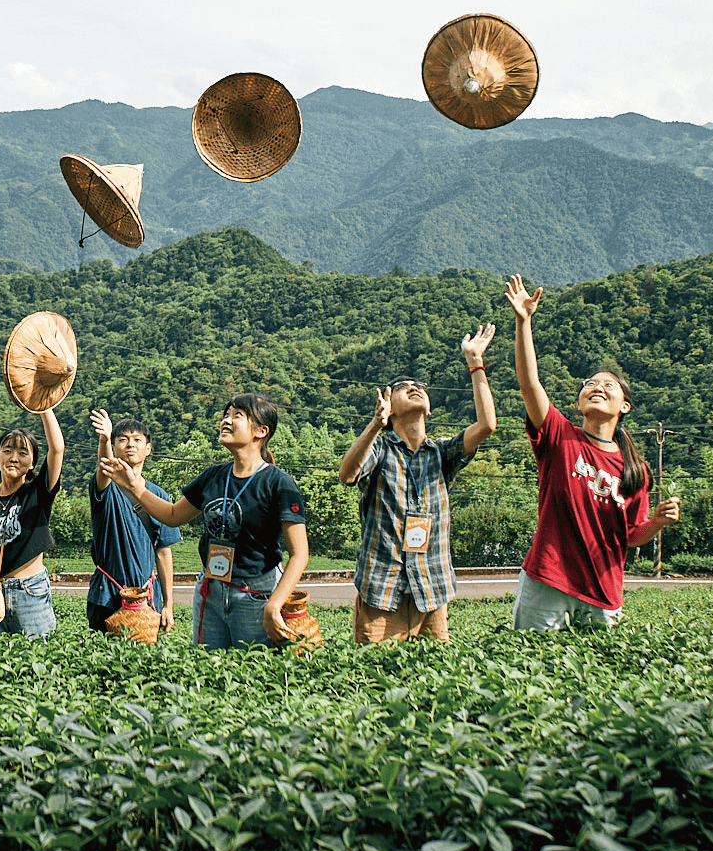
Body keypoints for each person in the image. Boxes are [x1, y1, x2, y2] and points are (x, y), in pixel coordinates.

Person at [504, 274, 680, 629]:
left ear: (625, 406)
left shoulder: (635, 470)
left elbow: (632, 534)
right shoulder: (559, 436)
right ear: (579, 400)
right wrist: (524, 323)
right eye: (590, 384)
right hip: (548, 580)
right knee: (532, 660)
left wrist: (658, 522)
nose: (597, 387)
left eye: (608, 385)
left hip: (603, 590)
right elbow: (529, 383)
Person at [103, 393, 309, 650]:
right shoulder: (214, 476)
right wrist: (134, 487)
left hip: (256, 594)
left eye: (237, 415)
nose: (226, 420)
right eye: (226, 415)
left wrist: (274, 604)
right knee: (209, 664)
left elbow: (299, 554)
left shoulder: (278, 484)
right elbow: (172, 516)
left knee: (253, 667)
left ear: (261, 431)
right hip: (211, 589)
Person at [337, 326, 498, 645]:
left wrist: (475, 363)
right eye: (403, 387)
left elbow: (487, 425)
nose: (414, 388)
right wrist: (376, 425)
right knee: (375, 672)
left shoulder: (442, 453)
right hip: (381, 590)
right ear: (390, 406)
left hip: (431, 589)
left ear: (430, 408)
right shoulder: (380, 449)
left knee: (433, 673)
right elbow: (348, 474)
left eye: (420, 387)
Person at [0, 409, 66, 639]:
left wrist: (44, 406)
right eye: (7, 451)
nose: (14, 458)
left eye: (23, 453)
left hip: (29, 591)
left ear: (32, 463)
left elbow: (57, 449)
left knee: (37, 655)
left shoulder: (37, 493)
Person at [84, 410, 179, 635]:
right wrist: (104, 439)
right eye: (123, 440)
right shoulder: (107, 488)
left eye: (137, 440)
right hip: (107, 594)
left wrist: (168, 604)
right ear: (114, 447)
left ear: (148, 448)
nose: (130, 445)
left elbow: (163, 552)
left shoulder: (159, 495)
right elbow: (105, 467)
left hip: (146, 598)